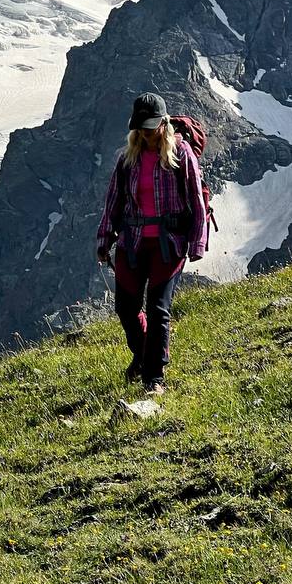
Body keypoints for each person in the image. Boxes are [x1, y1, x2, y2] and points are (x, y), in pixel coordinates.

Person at [95, 93, 208, 395]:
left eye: (150, 126)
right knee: (125, 308)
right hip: (132, 243)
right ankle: (144, 354)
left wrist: (197, 242)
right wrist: (104, 239)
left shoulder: (181, 154)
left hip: (168, 243)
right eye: (140, 127)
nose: (145, 132)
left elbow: (195, 200)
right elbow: (113, 202)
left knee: (158, 309)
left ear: (163, 123)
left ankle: (154, 378)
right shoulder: (127, 159)